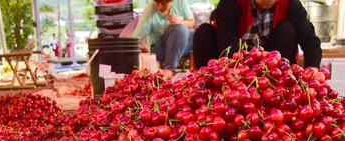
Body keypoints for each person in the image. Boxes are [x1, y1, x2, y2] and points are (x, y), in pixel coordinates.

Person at [192, 0, 322, 69]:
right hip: (233, 62)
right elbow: (226, 40)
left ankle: (285, 83)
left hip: (271, 65)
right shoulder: (231, 3)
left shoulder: (291, 4)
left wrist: (313, 70)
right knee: (204, 32)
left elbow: (309, 40)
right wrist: (238, 72)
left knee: (287, 29)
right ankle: (205, 84)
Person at [134, 0, 194, 76]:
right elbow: (140, 32)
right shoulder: (151, 6)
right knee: (179, 29)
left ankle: (200, 69)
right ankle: (169, 69)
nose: (159, 6)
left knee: (196, 32)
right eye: (157, 2)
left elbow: (192, 23)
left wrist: (179, 22)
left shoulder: (180, 2)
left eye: (163, 3)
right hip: (160, 48)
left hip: (182, 46)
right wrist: (133, 47)